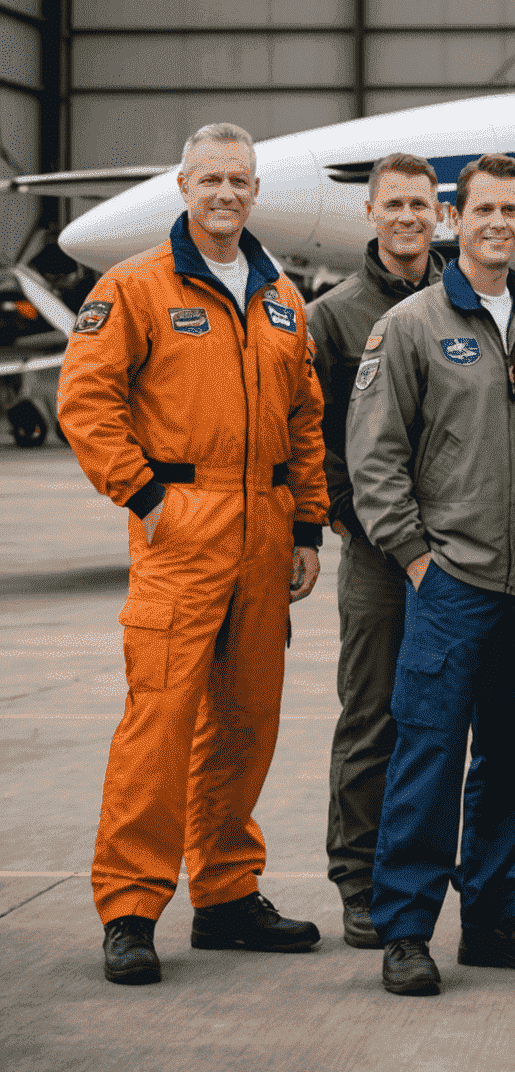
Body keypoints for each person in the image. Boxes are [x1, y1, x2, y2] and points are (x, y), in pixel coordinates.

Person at [58, 121, 327, 987]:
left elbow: (305, 421)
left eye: (238, 181)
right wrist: (146, 500)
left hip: (264, 533)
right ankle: (132, 908)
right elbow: (87, 401)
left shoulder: (281, 296)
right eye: (209, 178)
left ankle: (225, 895)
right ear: (183, 185)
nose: (224, 194)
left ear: (255, 192)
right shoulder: (134, 287)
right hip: (181, 529)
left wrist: (308, 527)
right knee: (159, 723)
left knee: (245, 726)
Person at [346, 153, 515, 997]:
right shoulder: (408, 326)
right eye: (484, 210)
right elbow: (373, 458)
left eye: (513, 210)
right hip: (451, 588)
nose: (499, 223)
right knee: (428, 759)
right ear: (454, 219)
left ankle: (491, 917)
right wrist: (415, 558)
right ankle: (406, 928)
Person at [309, 153, 446, 949]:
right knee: (372, 717)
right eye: (392, 203)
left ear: (441, 213)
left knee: (444, 722)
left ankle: (431, 875)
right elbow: (318, 433)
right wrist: (352, 519)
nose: (407, 216)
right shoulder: (335, 316)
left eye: (420, 204)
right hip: (378, 555)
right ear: (370, 214)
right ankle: (358, 882)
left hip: (462, 553)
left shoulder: (460, 299)